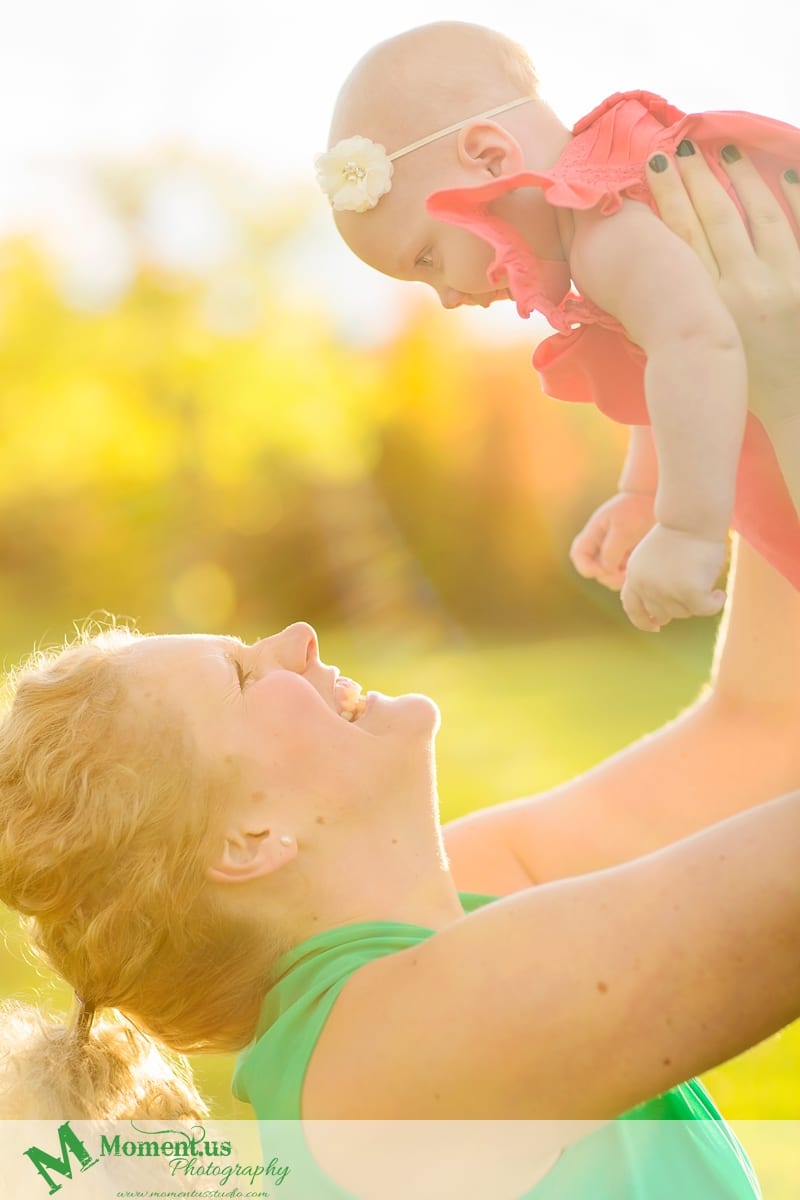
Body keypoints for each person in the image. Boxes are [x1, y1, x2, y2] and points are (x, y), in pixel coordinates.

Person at [0, 152, 798, 1200]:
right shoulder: (389, 1065)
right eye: (244, 678)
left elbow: (762, 725)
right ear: (248, 842)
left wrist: (724, 375)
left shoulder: (449, 905)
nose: (293, 636)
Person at [316, 20, 800, 633]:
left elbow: (695, 345)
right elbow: (670, 360)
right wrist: (643, 492)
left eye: (427, 258)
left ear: (492, 159)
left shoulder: (605, 233)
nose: (443, 298)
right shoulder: (615, 206)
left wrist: (686, 531)